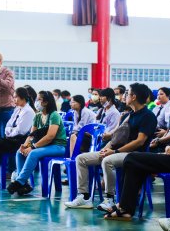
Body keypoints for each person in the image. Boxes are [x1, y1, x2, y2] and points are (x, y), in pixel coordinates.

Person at [64, 83, 157, 213]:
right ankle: (84, 197)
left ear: (134, 97)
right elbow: (116, 138)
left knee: (108, 161)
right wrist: (105, 150)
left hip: (135, 154)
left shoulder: (148, 116)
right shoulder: (126, 115)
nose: (124, 96)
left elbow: (140, 141)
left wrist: (114, 151)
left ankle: (110, 199)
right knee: (81, 159)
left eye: (127, 93)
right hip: (115, 151)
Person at [104, 92, 170, 222]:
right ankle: (125, 209)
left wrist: (168, 148)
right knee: (134, 164)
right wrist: (168, 148)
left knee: (132, 157)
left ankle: (124, 207)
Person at [7, 91, 66, 195]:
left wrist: (33, 147)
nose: (36, 102)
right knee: (19, 152)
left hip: (57, 146)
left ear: (46, 102)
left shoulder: (54, 115)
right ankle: (24, 184)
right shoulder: (37, 116)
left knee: (33, 153)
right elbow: (32, 135)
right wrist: (26, 146)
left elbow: (50, 136)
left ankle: (19, 182)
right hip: (44, 147)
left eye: (39, 99)